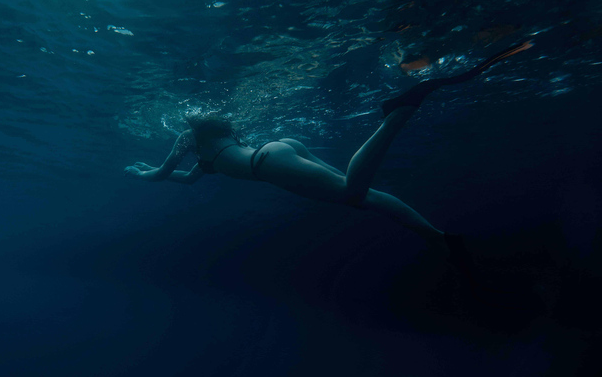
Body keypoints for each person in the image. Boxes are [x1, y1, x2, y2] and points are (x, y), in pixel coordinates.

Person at [124, 41, 533, 252]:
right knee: (360, 196)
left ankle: (398, 112)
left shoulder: (187, 140)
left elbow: (163, 175)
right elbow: (190, 179)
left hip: (267, 165)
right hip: (277, 148)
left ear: (188, 127)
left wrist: (140, 172)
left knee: (351, 191)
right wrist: (164, 170)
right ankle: (436, 236)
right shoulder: (210, 146)